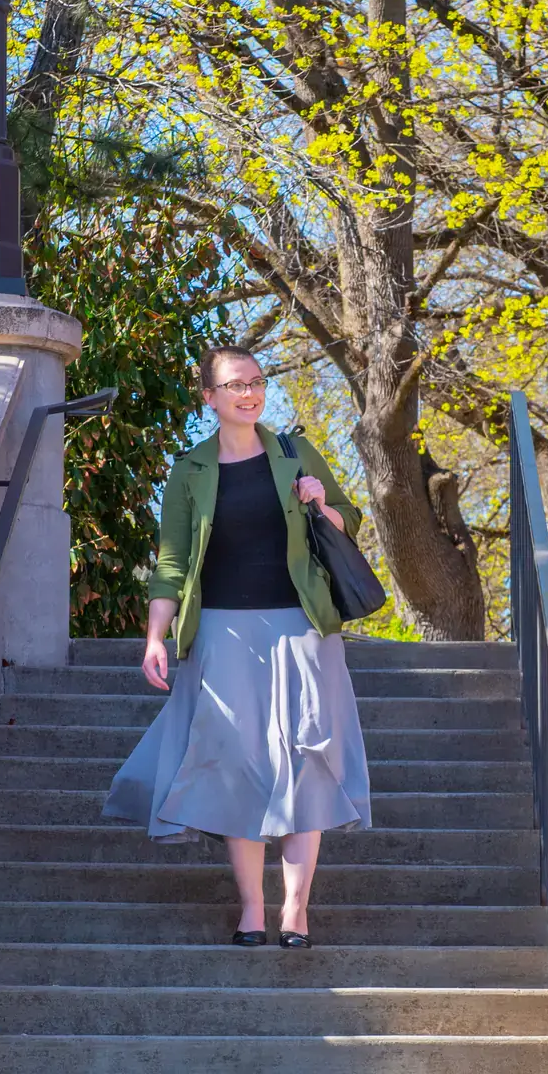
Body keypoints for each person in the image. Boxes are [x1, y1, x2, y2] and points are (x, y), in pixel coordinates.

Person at [103, 345, 372, 948]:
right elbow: (171, 563)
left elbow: (347, 519)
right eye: (234, 385)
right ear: (209, 397)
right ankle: (253, 907)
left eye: (256, 382)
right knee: (235, 764)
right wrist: (155, 636)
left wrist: (319, 501)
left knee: (308, 759)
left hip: (300, 628)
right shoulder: (191, 471)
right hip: (222, 632)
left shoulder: (294, 452)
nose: (249, 394)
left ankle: (295, 911)